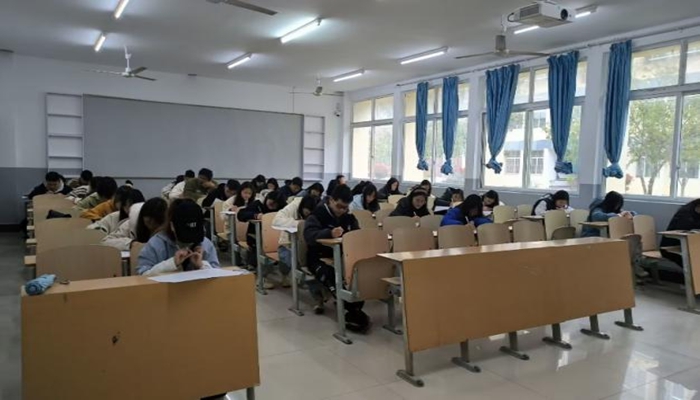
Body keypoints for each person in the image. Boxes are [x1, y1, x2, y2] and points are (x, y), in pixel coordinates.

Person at [304, 185, 369, 331]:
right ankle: (351, 309)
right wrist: (329, 233)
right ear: (331, 200)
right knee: (330, 276)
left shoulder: (349, 217)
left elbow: (357, 234)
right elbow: (309, 236)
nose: (342, 210)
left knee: (359, 271)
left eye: (345, 207)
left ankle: (354, 309)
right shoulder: (317, 215)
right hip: (318, 258)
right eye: (339, 206)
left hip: (342, 257)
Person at [137, 199, 220, 276]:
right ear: (172, 226)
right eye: (185, 235)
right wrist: (172, 263)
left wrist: (201, 266)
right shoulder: (156, 244)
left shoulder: (205, 244)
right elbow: (142, 276)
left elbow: (218, 276)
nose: (190, 242)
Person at [271, 195, 321, 289]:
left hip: (305, 247)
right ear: (302, 207)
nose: (307, 215)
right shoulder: (293, 206)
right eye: (306, 212)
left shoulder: (317, 210)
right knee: (289, 259)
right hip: (287, 245)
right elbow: (276, 221)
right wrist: (298, 224)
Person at [237, 190, 285, 285]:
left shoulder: (282, 207)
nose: (272, 206)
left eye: (275, 205)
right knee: (265, 250)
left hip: (276, 238)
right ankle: (262, 278)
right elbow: (241, 214)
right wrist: (255, 215)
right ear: (267, 198)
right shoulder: (257, 204)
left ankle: (285, 276)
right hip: (256, 236)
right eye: (271, 203)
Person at [660, 199, 700, 266]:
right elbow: (685, 230)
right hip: (670, 249)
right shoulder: (685, 213)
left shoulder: (694, 211)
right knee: (694, 261)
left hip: (687, 248)